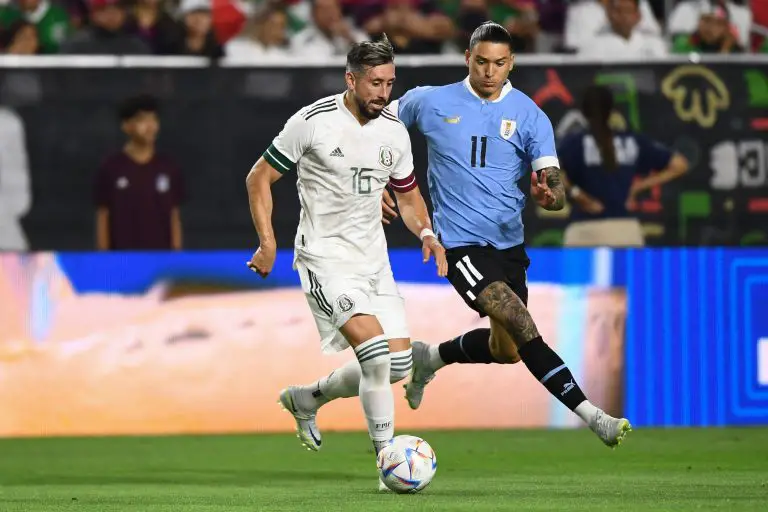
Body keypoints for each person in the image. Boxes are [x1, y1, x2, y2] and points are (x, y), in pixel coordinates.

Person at [381, 21, 631, 447]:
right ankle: (594, 417)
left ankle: (430, 357)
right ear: (468, 58)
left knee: (508, 349)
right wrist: (381, 179)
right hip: (458, 245)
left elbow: (555, 194)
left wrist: (546, 195)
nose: (489, 71)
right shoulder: (429, 101)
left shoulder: (531, 116)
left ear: (511, 62)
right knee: (521, 320)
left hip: (508, 245)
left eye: (499, 63)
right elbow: (376, 128)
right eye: (481, 62)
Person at [245, 37, 447, 489]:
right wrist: (267, 242)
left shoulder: (394, 131)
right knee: (375, 355)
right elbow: (259, 176)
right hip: (324, 257)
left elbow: (409, 197)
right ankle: (388, 463)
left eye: (390, 83)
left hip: (373, 262)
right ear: (350, 79)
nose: (383, 92)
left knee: (395, 366)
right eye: (375, 83)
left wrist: (427, 233)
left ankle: (307, 398)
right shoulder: (313, 122)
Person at [559, 85, 689, 247]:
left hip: (584, 229)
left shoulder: (574, 142)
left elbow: (547, 169)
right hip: (624, 230)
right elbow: (679, 164)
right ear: (611, 110)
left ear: (584, 112)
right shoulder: (632, 141)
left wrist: (578, 195)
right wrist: (638, 186)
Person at [94, 94, 184, 250]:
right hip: (122, 259)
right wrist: (105, 259)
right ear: (126, 125)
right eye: (142, 120)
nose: (150, 126)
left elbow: (174, 216)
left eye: (153, 119)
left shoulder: (168, 167)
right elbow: (103, 216)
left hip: (161, 261)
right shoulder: (111, 168)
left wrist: (175, 255)